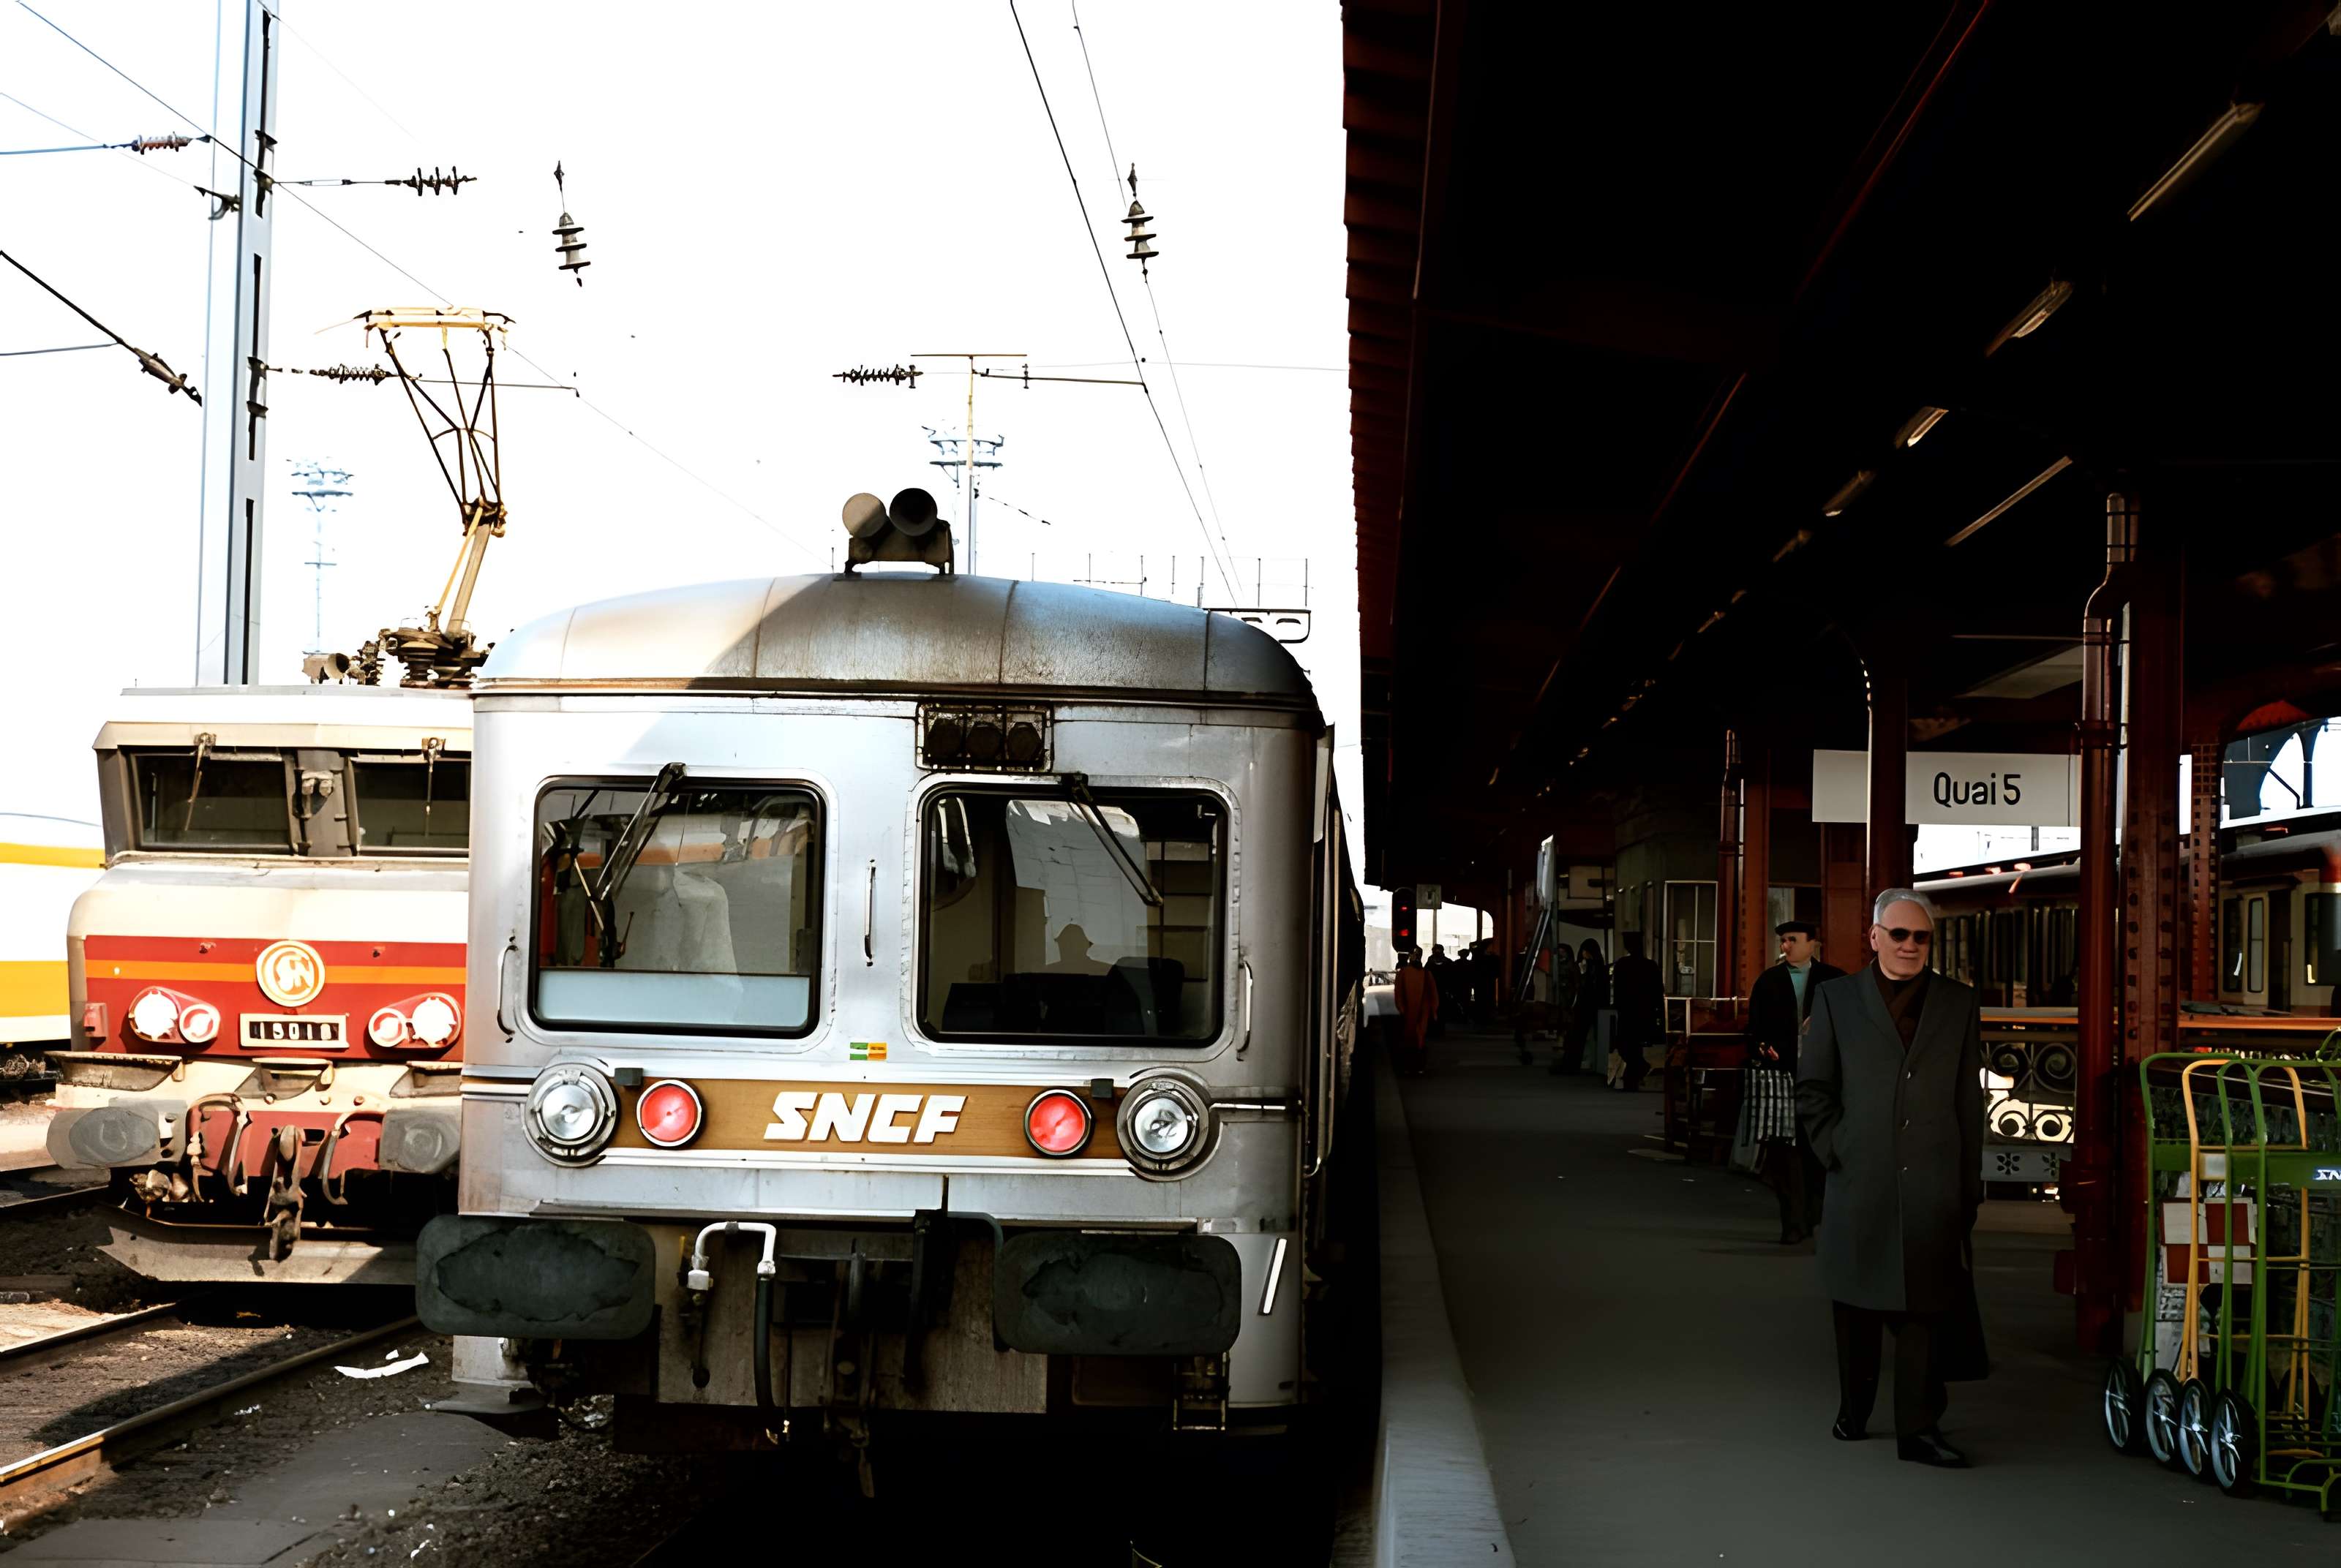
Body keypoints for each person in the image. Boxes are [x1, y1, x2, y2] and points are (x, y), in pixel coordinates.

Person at [1797, 889, 1985, 1469]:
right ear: (1874, 937)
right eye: (1898, 935)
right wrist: (1838, 1149)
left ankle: (1919, 1431)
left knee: (1925, 1311)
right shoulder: (1834, 999)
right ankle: (1854, 1409)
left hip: (1932, 1180)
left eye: (1920, 937)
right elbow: (1814, 1089)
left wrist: (1967, 1180)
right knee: (1855, 1304)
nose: (1909, 946)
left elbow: (1966, 1100)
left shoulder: (1958, 1003)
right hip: (1860, 1175)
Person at [1745, 920, 1846, 1243]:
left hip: (1822, 1078)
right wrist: (1762, 1046)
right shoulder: (1769, 981)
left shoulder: (1835, 980)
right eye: (1783, 940)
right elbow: (1755, 1028)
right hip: (1780, 1075)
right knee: (1782, 1153)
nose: (1785, 946)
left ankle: (1813, 1214)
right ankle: (1792, 1222)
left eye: (1792, 940)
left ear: (1812, 943)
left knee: (1817, 1149)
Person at [1609, 932, 1664, 1091]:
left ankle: (1635, 1072)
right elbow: (1658, 990)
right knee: (1633, 1044)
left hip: (1628, 1011)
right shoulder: (1650, 965)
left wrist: (1617, 1005)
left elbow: (1618, 989)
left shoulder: (1622, 965)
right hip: (1644, 1011)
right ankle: (1634, 1074)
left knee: (1626, 1044)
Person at [1561, 938, 1609, 1075]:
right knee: (1582, 1036)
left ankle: (1572, 1064)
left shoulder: (1592, 968)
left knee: (1578, 1036)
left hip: (1587, 1006)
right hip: (1592, 1006)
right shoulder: (1596, 967)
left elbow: (1588, 988)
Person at [1392, 947, 1440, 1076]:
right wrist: (1401, 1008)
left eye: (1418, 955)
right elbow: (1399, 993)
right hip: (1410, 1012)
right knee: (1411, 1039)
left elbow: (1433, 994)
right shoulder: (1406, 973)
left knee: (1419, 1039)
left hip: (1420, 1013)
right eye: (1414, 955)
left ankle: (1416, 1066)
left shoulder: (1425, 973)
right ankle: (1412, 1066)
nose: (1416, 957)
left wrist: (1433, 1011)